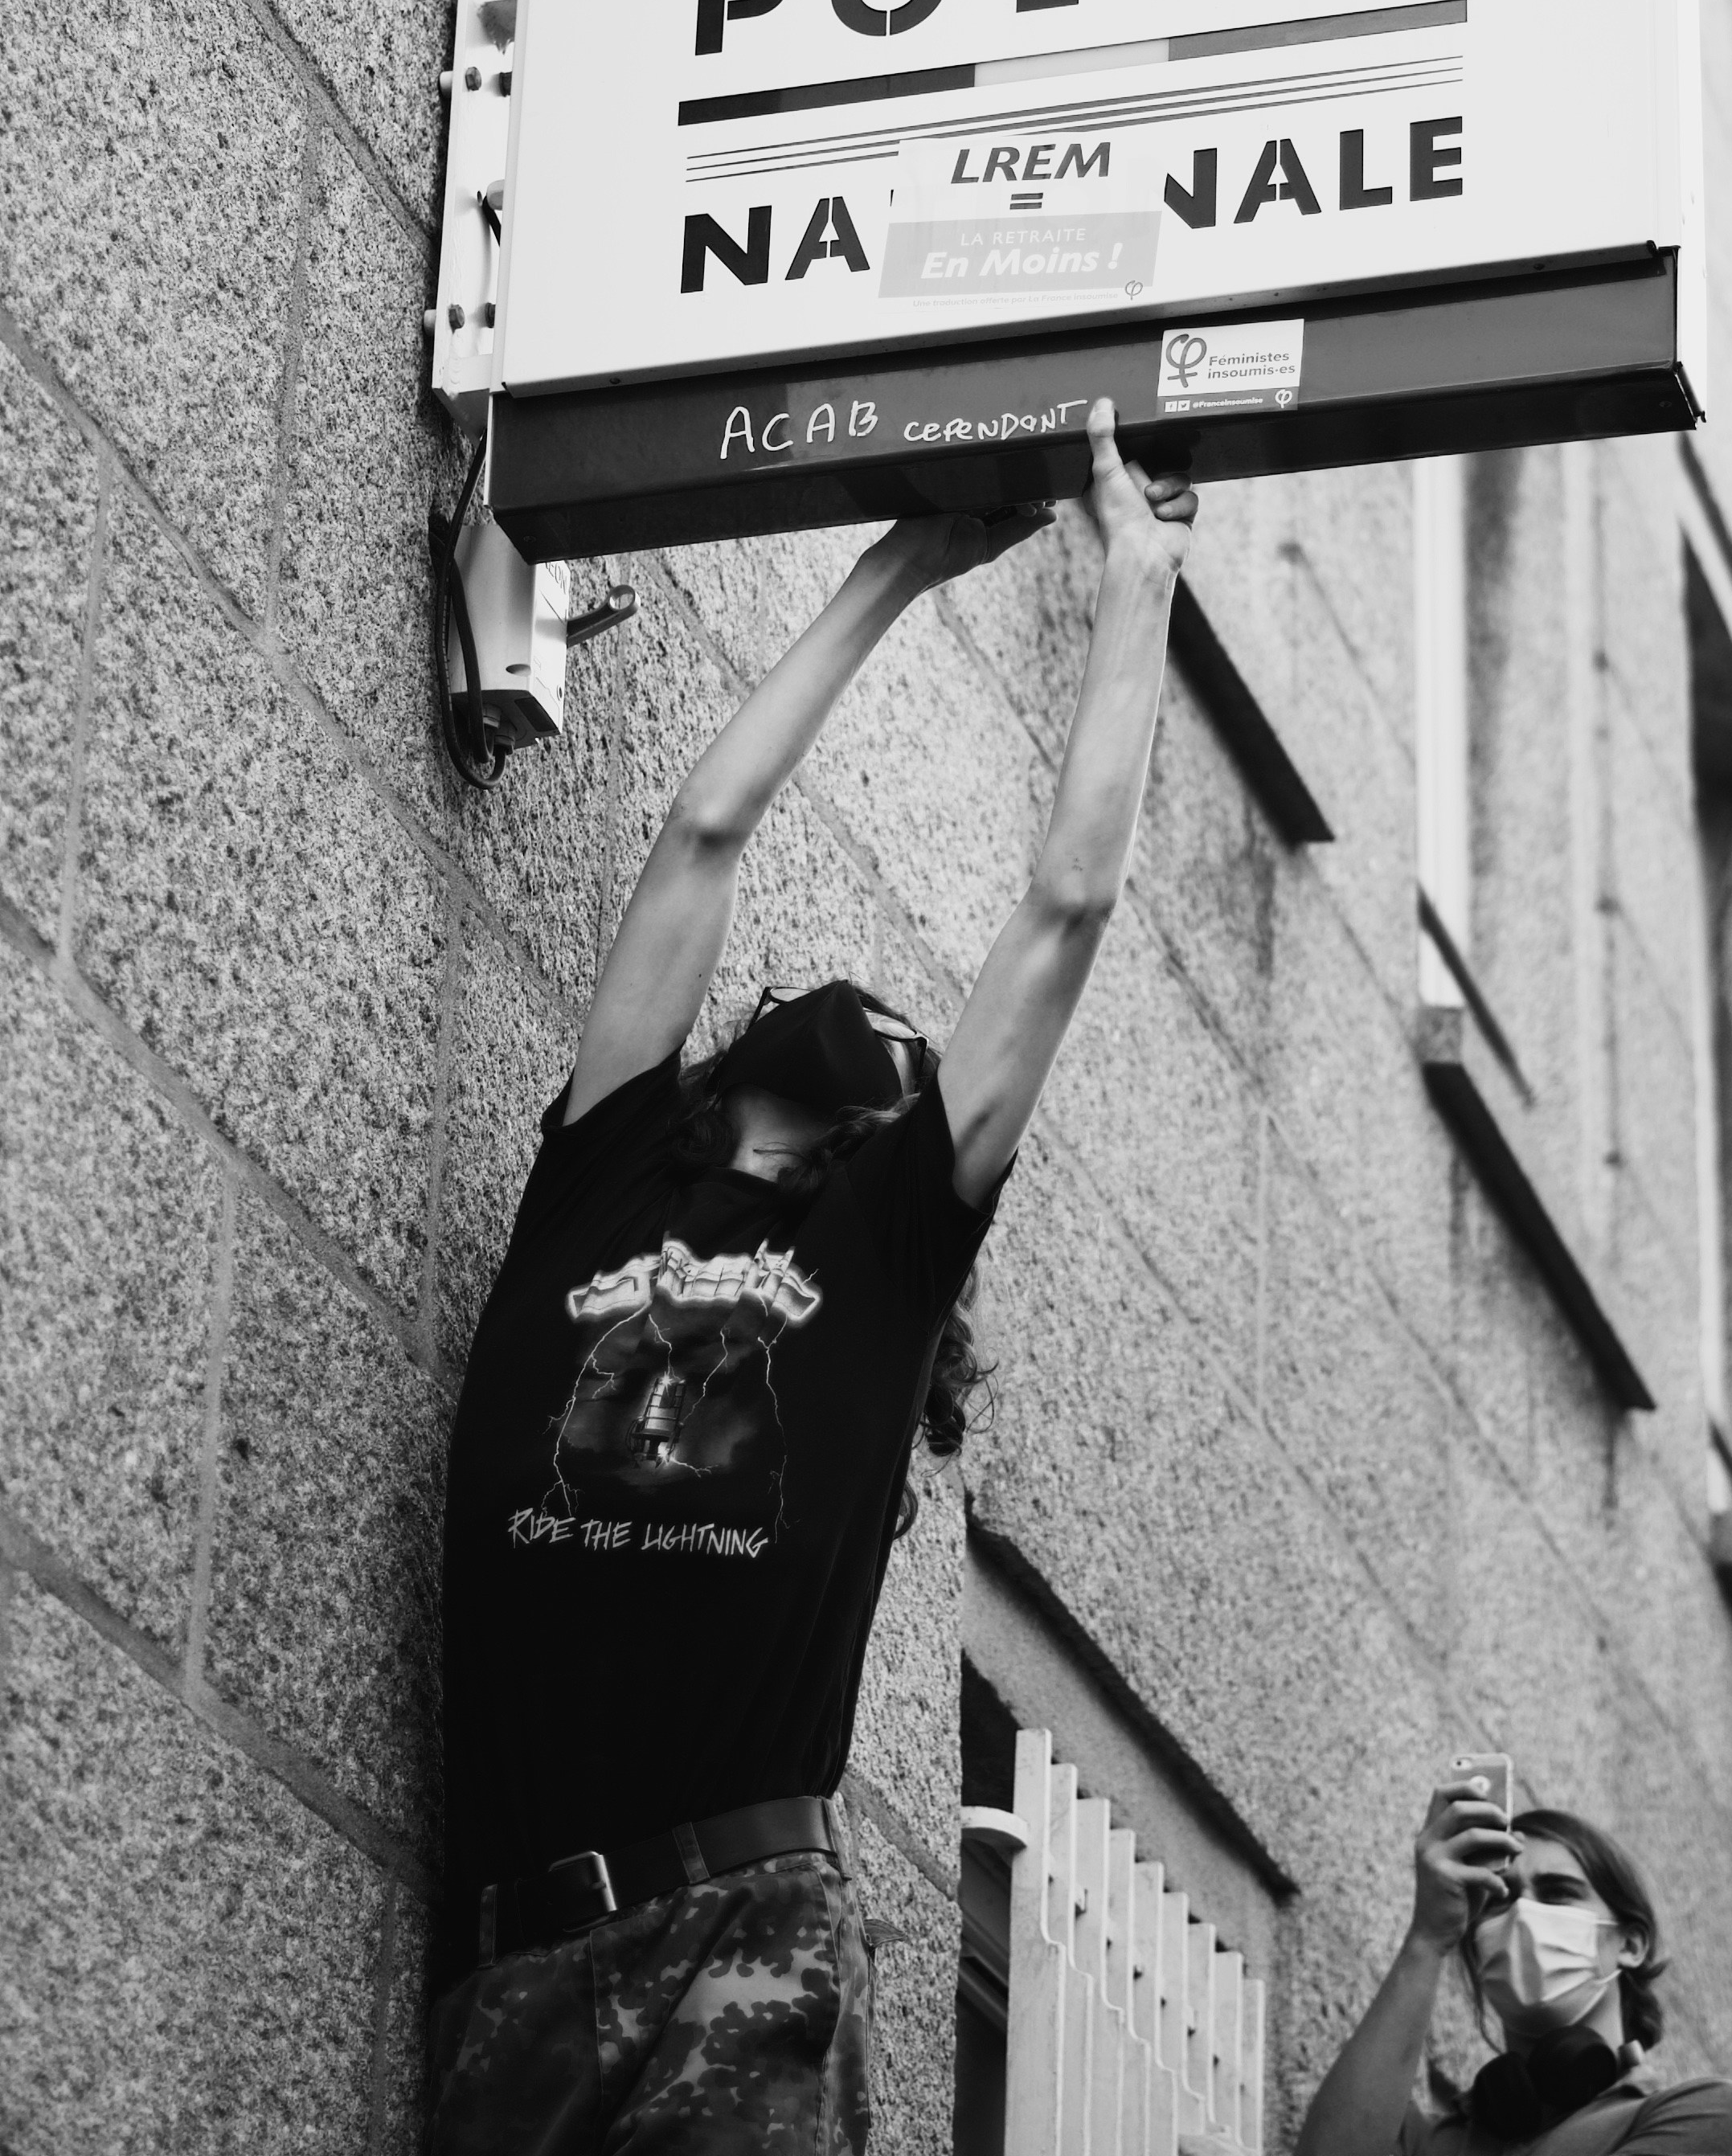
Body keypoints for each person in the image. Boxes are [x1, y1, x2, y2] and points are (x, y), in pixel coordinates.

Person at [428, 395, 1198, 2154]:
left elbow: (1063, 910)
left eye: (916, 1058)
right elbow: (703, 827)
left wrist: (1131, 591)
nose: (878, 1033)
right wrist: (897, 567)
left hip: (733, 1950)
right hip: (499, 1984)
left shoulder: (882, 1254)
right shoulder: (614, 1159)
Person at [1295, 1773, 1732, 2155]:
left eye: (1559, 1894)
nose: (1524, 1914)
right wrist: (1428, 1938)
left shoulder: (1710, 2116)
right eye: (1502, 1900)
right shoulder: (1432, 2141)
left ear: (1630, 1944)